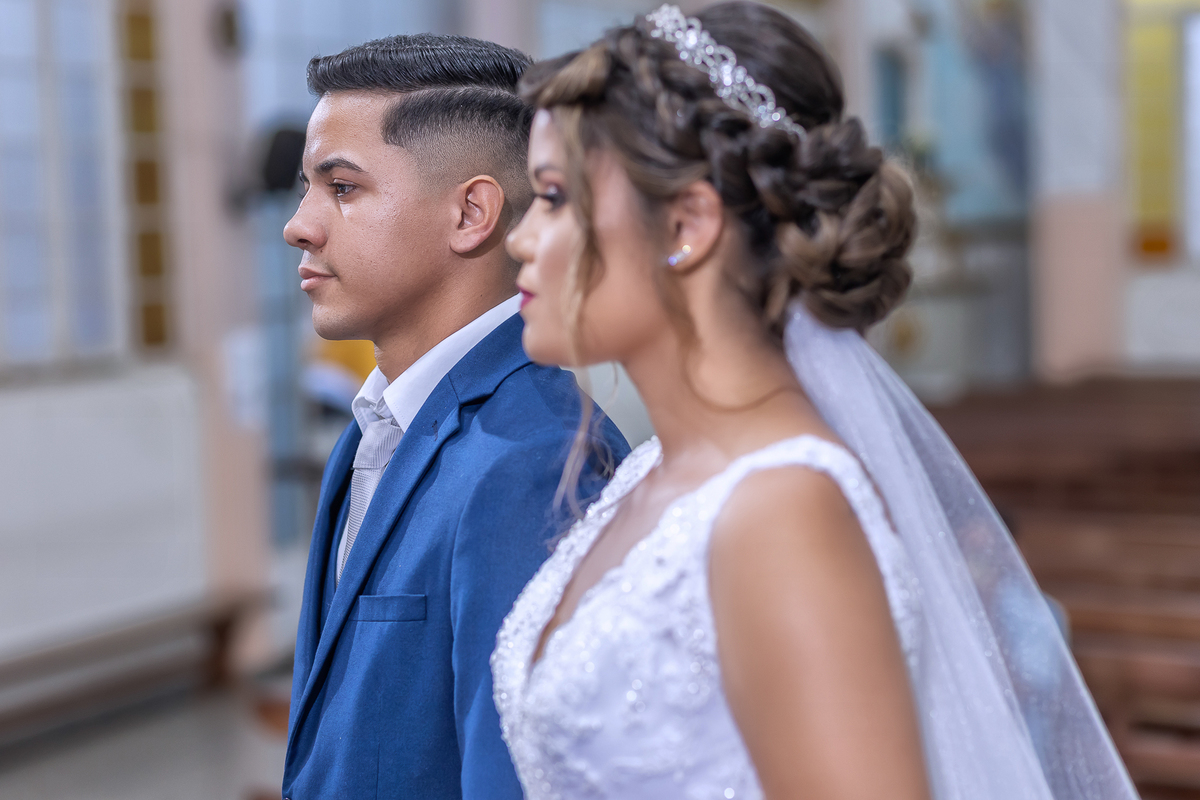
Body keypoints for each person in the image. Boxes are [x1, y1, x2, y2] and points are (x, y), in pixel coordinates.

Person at [490, 4, 1137, 799]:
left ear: (687, 224)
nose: (520, 238)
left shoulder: (782, 511)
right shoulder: (649, 475)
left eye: (554, 197)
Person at [280, 34, 629, 800]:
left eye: (342, 188)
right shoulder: (374, 426)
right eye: (306, 187)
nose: (299, 224)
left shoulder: (531, 459)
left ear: (471, 212)